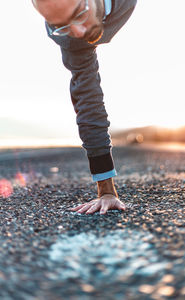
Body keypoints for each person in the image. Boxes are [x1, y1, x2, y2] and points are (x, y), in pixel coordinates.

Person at [32, 0, 137, 215]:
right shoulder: (70, 39)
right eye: (60, 24)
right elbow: (89, 103)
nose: (78, 32)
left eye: (79, 14)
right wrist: (106, 191)